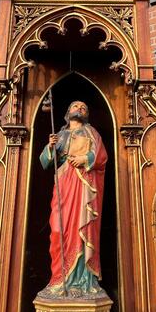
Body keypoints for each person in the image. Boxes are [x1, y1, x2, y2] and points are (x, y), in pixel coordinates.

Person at [39, 101, 107, 297]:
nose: (80, 109)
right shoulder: (59, 135)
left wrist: (85, 159)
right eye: (76, 106)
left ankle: (82, 282)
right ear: (68, 112)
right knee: (58, 230)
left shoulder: (91, 133)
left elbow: (101, 156)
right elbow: (45, 163)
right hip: (63, 185)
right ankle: (59, 280)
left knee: (81, 230)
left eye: (84, 107)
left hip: (83, 186)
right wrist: (50, 147)